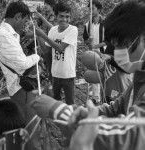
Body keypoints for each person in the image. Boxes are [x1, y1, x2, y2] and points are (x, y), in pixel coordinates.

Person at [68, 1, 145, 150]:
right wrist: (94, 111)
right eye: (116, 47)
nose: (119, 53)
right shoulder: (138, 78)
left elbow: (131, 135)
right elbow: (117, 107)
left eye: (125, 44)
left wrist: (56, 110)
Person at [0, 2, 41, 150]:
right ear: (17, 16)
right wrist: (36, 57)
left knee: (25, 127)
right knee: (29, 128)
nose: (25, 24)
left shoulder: (7, 33)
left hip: (19, 88)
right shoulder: (4, 35)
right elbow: (21, 63)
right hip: (21, 90)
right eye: (24, 20)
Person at [36, 2, 78, 105]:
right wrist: (37, 36)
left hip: (68, 74)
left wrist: (42, 35)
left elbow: (60, 48)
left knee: (70, 104)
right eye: (61, 16)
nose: (64, 19)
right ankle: (59, 120)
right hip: (55, 74)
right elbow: (46, 50)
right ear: (56, 16)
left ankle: (71, 120)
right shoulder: (53, 30)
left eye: (67, 16)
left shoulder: (73, 30)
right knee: (56, 102)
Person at [83, 0, 104, 104]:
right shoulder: (87, 25)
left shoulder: (105, 24)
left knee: (103, 75)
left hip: (103, 53)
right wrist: (88, 41)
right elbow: (85, 39)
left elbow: (107, 40)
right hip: (91, 54)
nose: (90, 11)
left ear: (99, 10)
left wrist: (95, 46)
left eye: (93, 8)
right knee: (93, 75)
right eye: (89, 9)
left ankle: (104, 97)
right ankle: (95, 98)